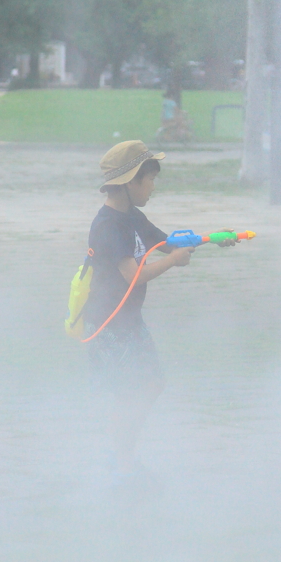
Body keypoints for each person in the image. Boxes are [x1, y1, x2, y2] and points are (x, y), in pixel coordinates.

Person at [82, 140, 210, 487]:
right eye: (150, 179)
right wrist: (173, 261)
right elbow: (133, 275)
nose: (153, 187)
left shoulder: (132, 217)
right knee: (132, 394)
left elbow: (167, 242)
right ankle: (123, 471)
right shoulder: (108, 225)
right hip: (108, 325)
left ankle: (118, 455)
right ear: (129, 181)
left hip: (129, 322)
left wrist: (215, 238)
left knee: (150, 386)